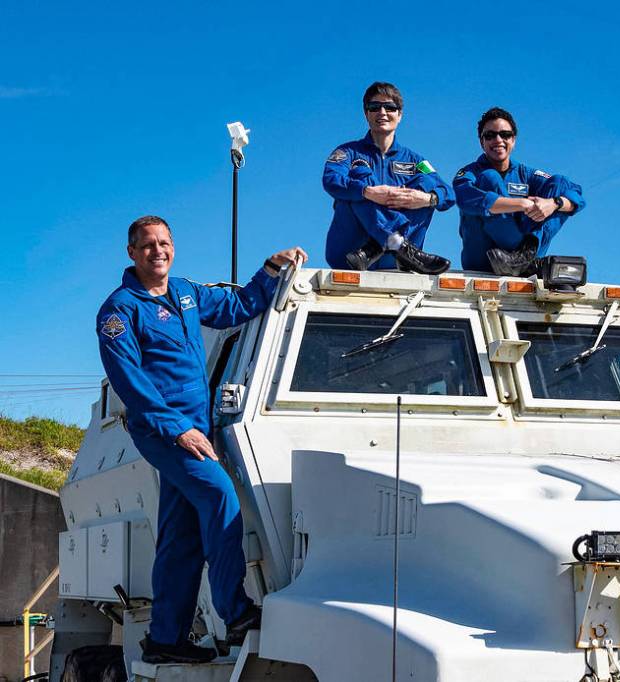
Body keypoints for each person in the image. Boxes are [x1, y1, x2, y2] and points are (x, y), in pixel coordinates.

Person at [97, 215, 308, 663]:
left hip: (197, 425)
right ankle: (235, 611)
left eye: (166, 243)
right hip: (163, 429)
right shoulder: (119, 310)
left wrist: (270, 269)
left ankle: (164, 640)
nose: (159, 251)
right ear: (132, 252)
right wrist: (178, 429)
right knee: (219, 494)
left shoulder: (187, 293)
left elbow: (237, 307)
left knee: (182, 536)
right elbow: (129, 381)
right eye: (149, 244)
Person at [323, 81, 454, 274]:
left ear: (399, 115)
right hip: (350, 255)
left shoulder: (416, 161)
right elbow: (331, 179)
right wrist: (367, 192)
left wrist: (427, 198)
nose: (382, 112)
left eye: (390, 107)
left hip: (394, 263)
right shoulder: (348, 152)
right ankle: (396, 243)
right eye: (375, 107)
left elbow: (448, 194)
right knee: (360, 176)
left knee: (425, 185)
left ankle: (382, 246)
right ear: (366, 114)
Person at [454, 107, 585, 276]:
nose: (498, 140)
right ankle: (522, 257)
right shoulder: (470, 173)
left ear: (513, 140)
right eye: (490, 135)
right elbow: (464, 196)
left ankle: (525, 255)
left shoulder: (526, 175)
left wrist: (553, 204)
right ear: (482, 142)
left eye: (505, 134)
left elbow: (577, 195)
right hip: (483, 261)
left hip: (523, 258)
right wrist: (521, 203)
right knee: (489, 177)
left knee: (560, 182)